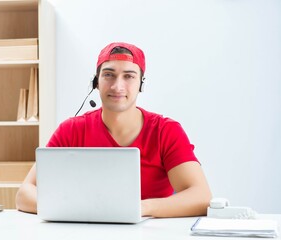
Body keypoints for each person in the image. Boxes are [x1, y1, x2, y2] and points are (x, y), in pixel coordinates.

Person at [16, 42, 212, 217]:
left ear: (141, 84)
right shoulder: (71, 129)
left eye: (129, 76)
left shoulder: (165, 131)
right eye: (109, 75)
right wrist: (79, 208)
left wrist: (141, 208)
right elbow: (25, 193)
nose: (118, 86)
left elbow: (201, 196)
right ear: (96, 82)